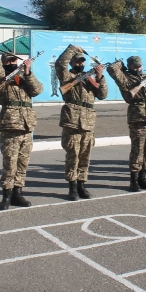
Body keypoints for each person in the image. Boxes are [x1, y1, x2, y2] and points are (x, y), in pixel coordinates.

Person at [0, 42, 43, 210]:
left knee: (22, 163)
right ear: (4, 63)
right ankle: (6, 195)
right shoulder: (1, 79)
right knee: (10, 163)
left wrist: (28, 72)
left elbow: (37, 90)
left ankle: (18, 193)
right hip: (10, 125)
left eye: (13, 61)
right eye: (8, 62)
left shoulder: (25, 78)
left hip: (26, 125)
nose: (11, 64)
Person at [56, 44, 108, 200]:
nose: (80, 64)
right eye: (77, 62)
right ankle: (72, 187)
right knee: (73, 155)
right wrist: (72, 48)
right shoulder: (67, 76)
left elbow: (103, 94)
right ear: (72, 63)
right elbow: (60, 63)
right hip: (72, 120)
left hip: (88, 122)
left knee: (85, 156)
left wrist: (99, 77)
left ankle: (81, 185)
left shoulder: (90, 78)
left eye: (82, 62)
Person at [107, 56, 146, 192]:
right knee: (137, 149)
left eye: (139, 66)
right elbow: (111, 69)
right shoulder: (125, 78)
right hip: (138, 117)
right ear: (130, 66)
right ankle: (134, 180)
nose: (138, 68)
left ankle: (143, 178)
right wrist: (120, 63)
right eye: (135, 66)